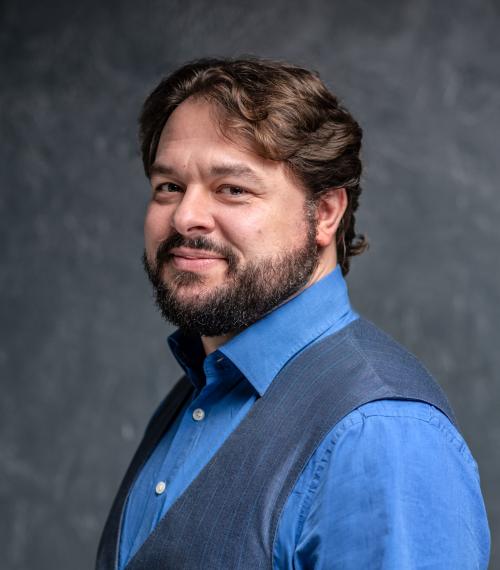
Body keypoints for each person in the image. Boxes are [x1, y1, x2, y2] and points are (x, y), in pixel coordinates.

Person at [96, 57, 490, 569]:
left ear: (324, 213)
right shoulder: (198, 391)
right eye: (168, 186)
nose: (185, 216)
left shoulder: (380, 436)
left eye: (232, 189)